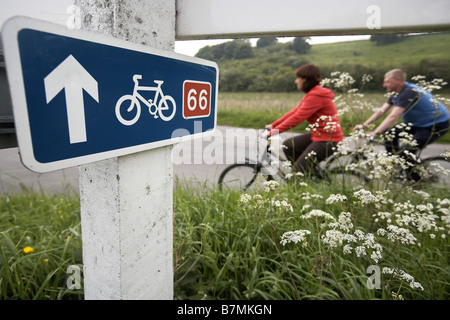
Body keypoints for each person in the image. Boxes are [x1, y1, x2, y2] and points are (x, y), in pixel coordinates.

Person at [353, 68, 450, 180]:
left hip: (435, 125)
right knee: (388, 135)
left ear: (398, 80)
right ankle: (395, 164)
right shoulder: (396, 92)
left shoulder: (409, 91)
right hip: (416, 124)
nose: (384, 85)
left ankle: (415, 182)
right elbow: (382, 111)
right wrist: (363, 125)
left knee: (407, 154)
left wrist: (375, 133)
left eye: (387, 82)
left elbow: (393, 116)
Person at [264, 64, 344, 175]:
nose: (296, 81)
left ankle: (301, 177)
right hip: (320, 135)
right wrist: (273, 125)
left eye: (298, 78)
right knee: (288, 145)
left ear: (305, 79)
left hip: (328, 140)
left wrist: (273, 132)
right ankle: (309, 175)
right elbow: (295, 112)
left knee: (297, 174)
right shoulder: (312, 94)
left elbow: (298, 117)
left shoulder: (316, 95)